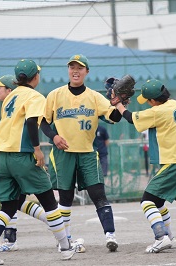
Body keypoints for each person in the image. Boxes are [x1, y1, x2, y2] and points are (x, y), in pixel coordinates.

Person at [0, 59, 75, 265]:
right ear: (35, 77)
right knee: (49, 201)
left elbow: (6, 127)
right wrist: (37, 149)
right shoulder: (36, 96)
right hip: (21, 156)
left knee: (9, 205)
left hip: (3, 157)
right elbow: (31, 122)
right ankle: (65, 248)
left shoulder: (10, 97)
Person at [40, 54, 123, 252]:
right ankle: (65, 241)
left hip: (87, 152)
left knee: (98, 195)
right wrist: (54, 136)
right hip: (63, 153)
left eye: (80, 67)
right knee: (66, 198)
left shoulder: (94, 97)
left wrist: (120, 103)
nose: (75, 71)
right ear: (68, 70)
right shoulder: (55, 94)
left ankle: (110, 236)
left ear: (87, 72)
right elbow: (43, 121)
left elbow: (113, 117)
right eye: (72, 67)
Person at [113, 79, 176, 253]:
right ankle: (170, 238)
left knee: (147, 201)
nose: (149, 105)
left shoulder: (158, 111)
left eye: (148, 101)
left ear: (153, 101)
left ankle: (161, 237)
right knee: (158, 203)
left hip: (174, 161)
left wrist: (118, 104)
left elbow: (131, 118)